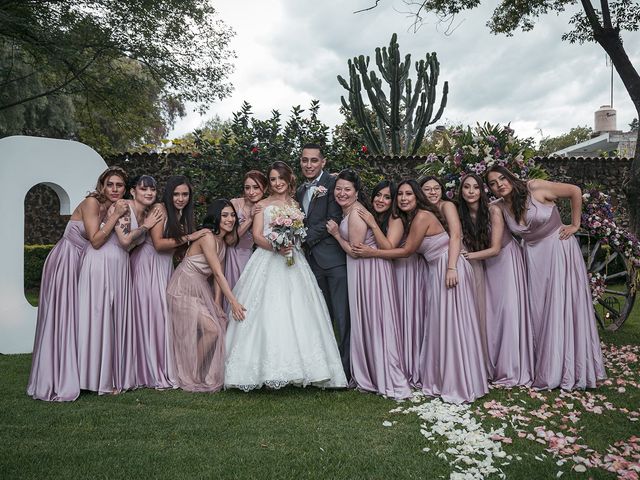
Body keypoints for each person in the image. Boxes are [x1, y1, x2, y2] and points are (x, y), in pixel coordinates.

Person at [353, 180, 488, 403]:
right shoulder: (412, 218)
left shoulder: (422, 216)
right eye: (401, 195)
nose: (404, 198)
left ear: (417, 197)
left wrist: (371, 252)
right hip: (436, 268)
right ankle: (450, 378)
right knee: (442, 326)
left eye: (409, 194)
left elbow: (406, 251)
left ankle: (460, 382)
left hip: (448, 267)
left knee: (453, 326)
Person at [225, 161, 347, 391]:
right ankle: (261, 369)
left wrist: (293, 241)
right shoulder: (261, 205)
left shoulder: (295, 203)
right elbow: (258, 236)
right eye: (272, 179)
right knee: (268, 311)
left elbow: (301, 232)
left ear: (288, 179)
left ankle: (305, 369)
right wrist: (276, 247)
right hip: (268, 259)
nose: (277, 183)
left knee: (300, 311)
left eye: (280, 178)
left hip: (294, 260)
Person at [486, 165, 606, 390]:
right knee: (538, 311)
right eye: (493, 183)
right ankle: (546, 365)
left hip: (558, 249)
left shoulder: (536, 187)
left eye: (502, 178)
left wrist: (575, 224)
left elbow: (574, 191)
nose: (499, 184)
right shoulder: (499, 206)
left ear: (510, 177)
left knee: (561, 306)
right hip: (532, 257)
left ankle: (568, 366)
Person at [27, 166, 129, 401]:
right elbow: (95, 240)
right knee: (63, 318)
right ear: (101, 185)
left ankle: (82, 372)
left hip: (84, 262)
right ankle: (58, 376)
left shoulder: (112, 207)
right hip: (67, 259)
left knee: (79, 319)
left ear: (125, 188)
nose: (114, 189)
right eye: (110, 184)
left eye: (119, 185)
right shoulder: (92, 203)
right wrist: (115, 216)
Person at [327, 170, 411, 399]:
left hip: (370, 270)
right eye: (339, 189)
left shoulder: (358, 214)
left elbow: (355, 252)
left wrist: (336, 235)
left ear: (356, 193)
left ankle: (383, 373)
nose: (342, 193)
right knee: (369, 320)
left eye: (348, 189)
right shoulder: (358, 211)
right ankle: (371, 370)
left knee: (377, 320)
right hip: (365, 270)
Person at [77, 173, 162, 395]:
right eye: (144, 189)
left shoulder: (143, 211)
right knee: (98, 317)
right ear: (132, 191)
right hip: (102, 262)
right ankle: (94, 379)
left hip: (120, 265)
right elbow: (125, 241)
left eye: (152, 190)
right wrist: (146, 227)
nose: (149, 193)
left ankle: (109, 376)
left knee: (113, 321)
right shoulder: (123, 206)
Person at [458, 174, 534, 387]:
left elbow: (495, 248)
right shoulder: (460, 213)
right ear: (461, 191)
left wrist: (466, 257)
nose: (471, 191)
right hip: (486, 266)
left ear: (482, 191)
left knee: (509, 312)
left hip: (506, 261)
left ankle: (513, 367)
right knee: (492, 316)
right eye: (467, 187)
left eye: (476, 187)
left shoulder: (493, 210)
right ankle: (492, 364)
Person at [134, 176, 209, 389]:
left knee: (162, 318)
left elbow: (176, 250)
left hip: (164, 267)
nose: (180, 198)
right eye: (176, 194)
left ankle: (162, 365)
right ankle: (149, 370)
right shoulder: (160, 209)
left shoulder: (183, 215)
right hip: (148, 265)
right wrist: (191, 236)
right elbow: (158, 244)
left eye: (185, 194)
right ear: (169, 194)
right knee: (152, 316)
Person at [167, 199, 246, 393]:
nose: (229, 219)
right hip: (183, 288)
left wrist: (218, 303)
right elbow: (218, 273)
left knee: (216, 326)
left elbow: (218, 275)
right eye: (225, 215)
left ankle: (195, 370)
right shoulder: (208, 237)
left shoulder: (223, 242)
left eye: (232, 215)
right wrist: (233, 302)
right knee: (211, 330)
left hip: (199, 287)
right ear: (216, 216)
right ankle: (191, 373)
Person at [356, 180, 427, 388]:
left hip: (404, 270)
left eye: (387, 197)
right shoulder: (377, 215)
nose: (381, 200)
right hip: (389, 271)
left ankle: (403, 366)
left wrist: (372, 224)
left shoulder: (394, 219)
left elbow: (388, 246)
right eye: (378, 195)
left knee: (403, 317)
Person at [296, 143, 351, 380]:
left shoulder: (332, 184)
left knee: (343, 317)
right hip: (310, 263)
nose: (309, 165)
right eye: (305, 160)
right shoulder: (299, 190)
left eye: (314, 160)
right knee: (322, 316)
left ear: (323, 162)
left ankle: (348, 369)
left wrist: (301, 236)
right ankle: (328, 367)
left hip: (334, 261)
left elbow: (333, 217)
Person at [225, 170, 267, 297]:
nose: (251, 192)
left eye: (256, 187)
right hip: (230, 254)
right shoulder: (235, 204)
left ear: (264, 189)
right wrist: (250, 219)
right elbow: (230, 240)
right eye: (247, 188)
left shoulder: (265, 208)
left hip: (248, 257)